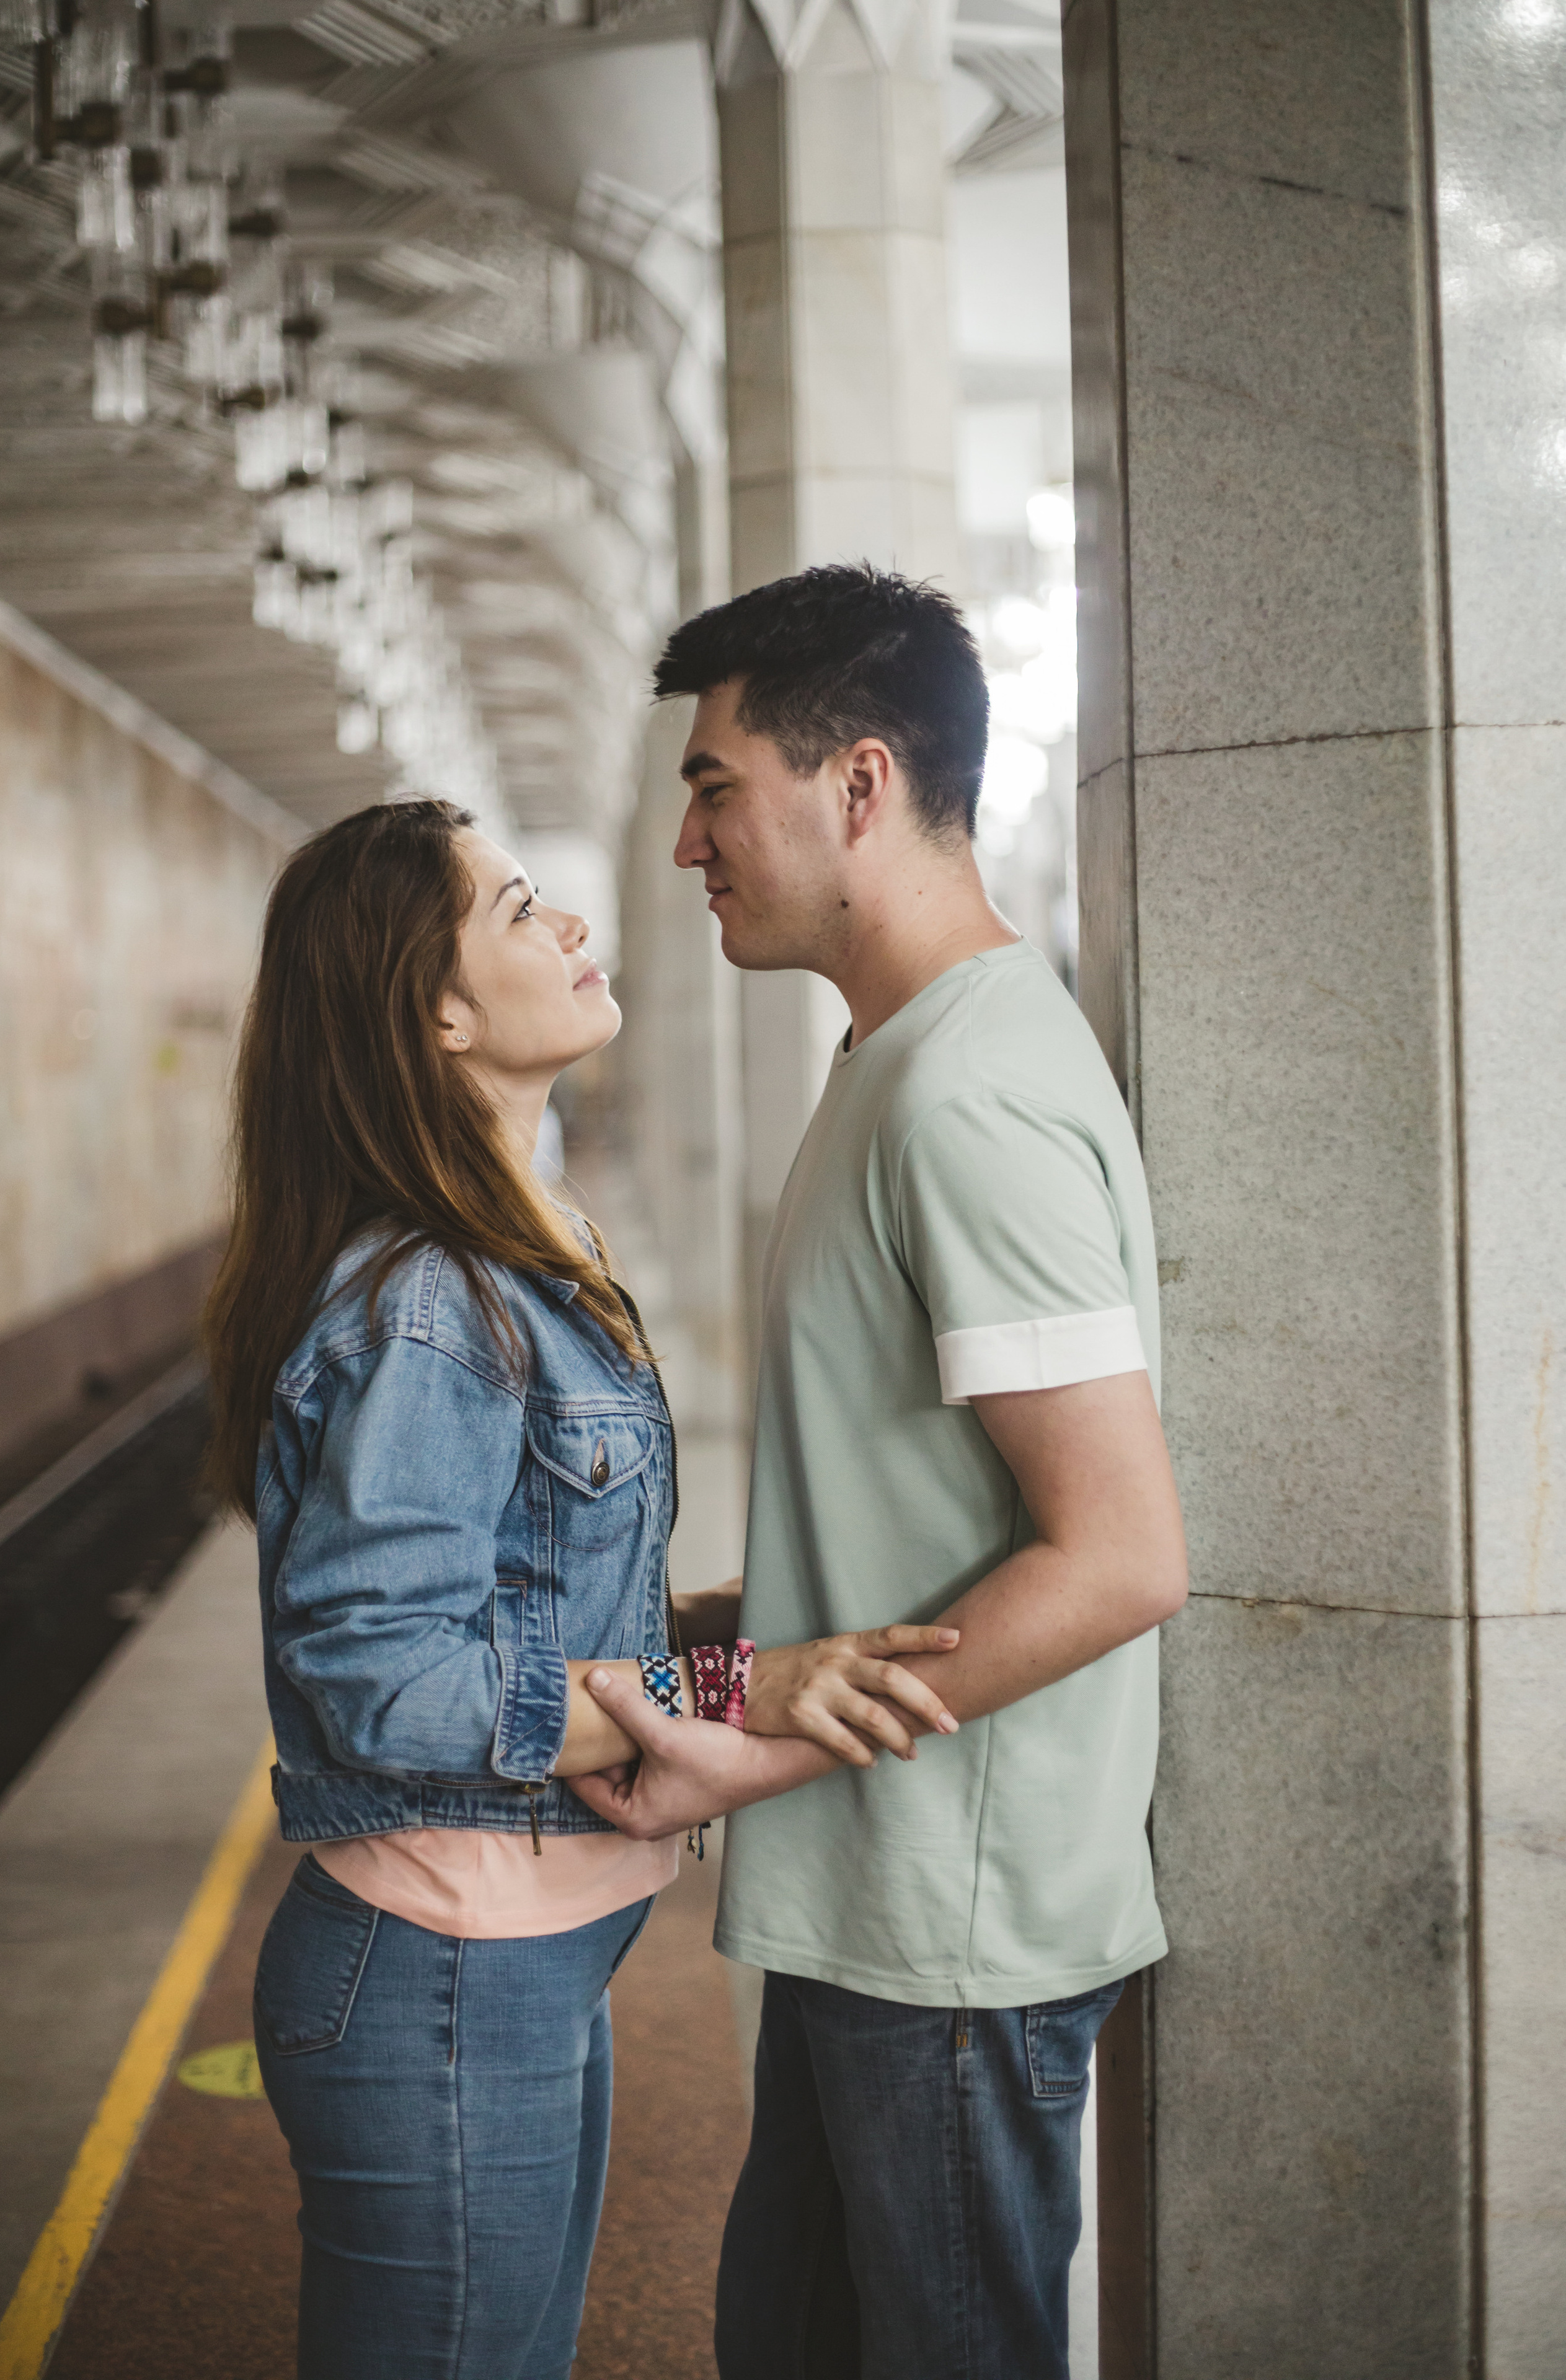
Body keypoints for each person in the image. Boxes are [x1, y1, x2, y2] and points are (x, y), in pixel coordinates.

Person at [201, 796, 958, 2380]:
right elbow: (383, 1674)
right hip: (441, 1974)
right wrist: (716, 1694)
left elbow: (545, 1617)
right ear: (440, 1012)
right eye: (521, 907)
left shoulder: (529, 1245)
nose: (572, 928)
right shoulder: (433, 1301)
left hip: (512, 1963)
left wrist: (742, 1636)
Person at [570, 566, 1189, 2379]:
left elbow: (1121, 1551)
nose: (690, 845)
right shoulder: (892, 1065)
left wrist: (738, 1746)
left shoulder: (967, 1096)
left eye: (711, 786)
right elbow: (915, 1524)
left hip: (958, 1934)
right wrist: (679, 1656)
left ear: (854, 784)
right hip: (882, 1897)